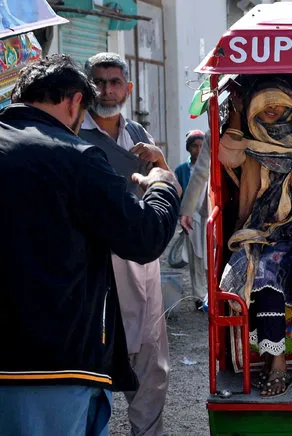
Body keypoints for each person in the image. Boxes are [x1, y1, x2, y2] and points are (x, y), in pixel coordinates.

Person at [0, 55, 180, 435]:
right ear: (74, 102)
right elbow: (145, 235)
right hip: (53, 367)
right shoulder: (76, 155)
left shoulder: (131, 137)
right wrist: (163, 185)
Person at [81, 52, 171, 435]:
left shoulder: (138, 136)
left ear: (128, 88)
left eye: (114, 82)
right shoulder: (71, 131)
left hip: (137, 261)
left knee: (149, 361)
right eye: (98, 82)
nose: (106, 90)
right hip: (91, 259)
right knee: (86, 363)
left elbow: (164, 188)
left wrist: (162, 160)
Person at [217, 78, 292, 397]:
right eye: (265, 101)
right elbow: (229, 157)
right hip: (259, 231)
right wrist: (236, 110)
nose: (273, 108)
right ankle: (271, 361)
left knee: (265, 271)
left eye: (279, 101)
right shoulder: (252, 146)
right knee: (247, 265)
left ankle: (278, 367)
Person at [175, 130, 208, 309]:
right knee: (196, 258)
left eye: (202, 146)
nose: (198, 149)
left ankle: (211, 295)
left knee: (209, 258)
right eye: (195, 146)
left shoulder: (211, 167)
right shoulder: (182, 170)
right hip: (191, 219)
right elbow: (177, 194)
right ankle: (199, 296)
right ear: (189, 148)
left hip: (208, 218)